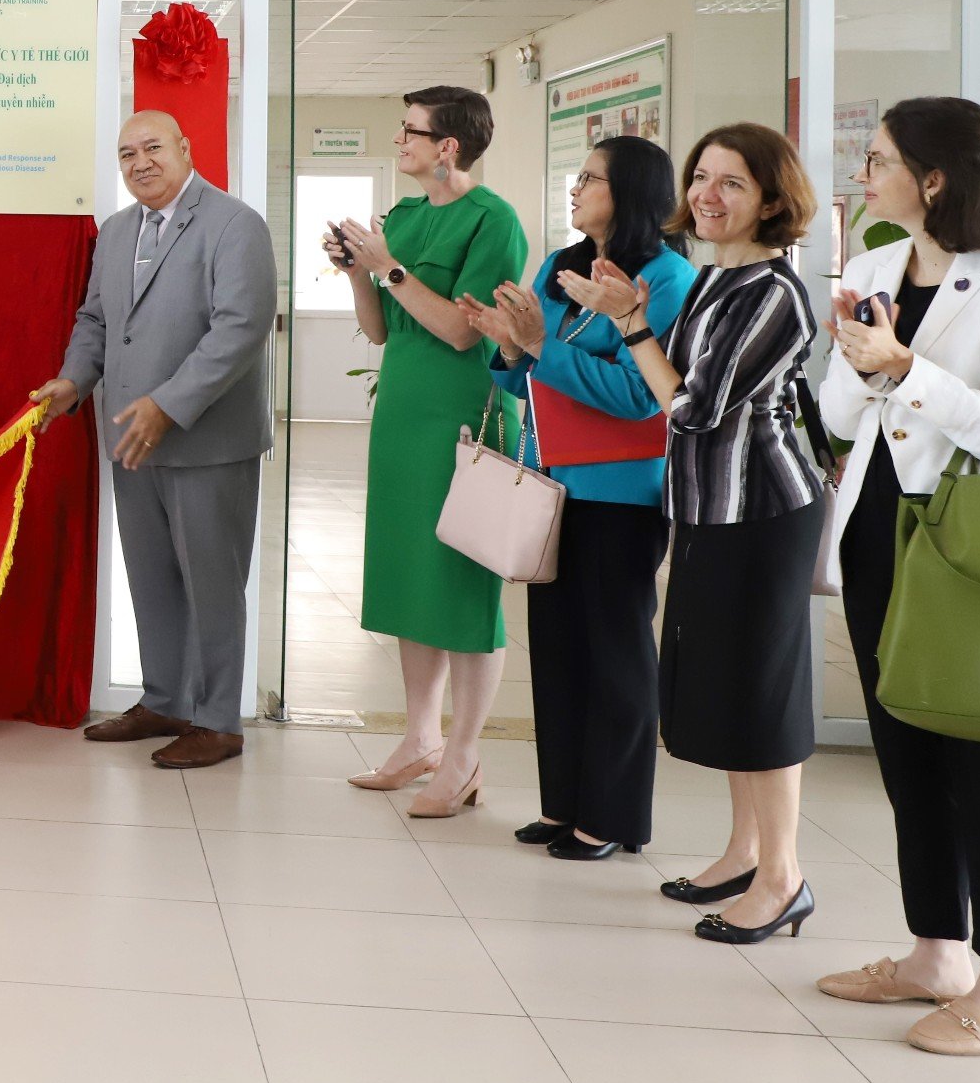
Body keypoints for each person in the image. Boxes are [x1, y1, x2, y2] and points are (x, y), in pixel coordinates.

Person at [814, 98, 980, 1055]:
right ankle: (936, 952)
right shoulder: (874, 268)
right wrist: (864, 366)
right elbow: (841, 415)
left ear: (933, 178)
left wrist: (904, 365)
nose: (862, 175)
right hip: (879, 529)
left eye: (877, 160)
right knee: (906, 748)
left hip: (971, 542)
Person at [561, 122, 826, 945]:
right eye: (702, 176)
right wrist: (629, 319)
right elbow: (669, 387)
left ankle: (783, 877)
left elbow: (691, 405)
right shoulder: (714, 278)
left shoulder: (774, 292)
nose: (707, 195)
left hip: (764, 510)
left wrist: (633, 327)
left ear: (773, 200)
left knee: (763, 693)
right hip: (707, 506)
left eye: (732, 183)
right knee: (729, 687)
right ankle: (745, 851)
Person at [461, 136, 695, 859]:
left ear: (631, 192)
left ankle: (612, 815)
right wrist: (509, 346)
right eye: (578, 176)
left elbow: (637, 396)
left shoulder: (667, 277)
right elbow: (520, 378)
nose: (576, 188)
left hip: (622, 492)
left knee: (615, 653)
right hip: (551, 483)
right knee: (559, 650)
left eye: (591, 178)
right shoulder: (561, 267)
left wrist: (540, 348)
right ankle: (564, 803)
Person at [33, 110, 276, 768]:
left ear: (186, 148)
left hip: (206, 441)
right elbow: (95, 320)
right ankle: (165, 700)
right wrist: (73, 380)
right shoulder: (116, 232)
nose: (140, 162)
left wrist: (168, 406)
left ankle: (218, 722)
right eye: (126, 153)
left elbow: (240, 328)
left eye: (153, 147)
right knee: (151, 579)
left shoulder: (235, 224)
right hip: (130, 439)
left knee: (213, 584)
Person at [332, 86, 529, 816]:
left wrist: (388, 267)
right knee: (411, 575)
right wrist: (358, 271)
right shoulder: (406, 216)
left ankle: (465, 753)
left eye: (411, 131)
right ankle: (419, 737)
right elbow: (381, 329)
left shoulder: (493, 220)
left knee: (462, 583)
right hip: (404, 413)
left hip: (465, 416)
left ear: (448, 146)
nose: (399, 140)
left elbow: (459, 329)